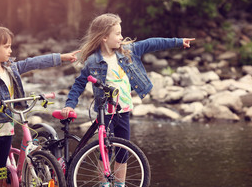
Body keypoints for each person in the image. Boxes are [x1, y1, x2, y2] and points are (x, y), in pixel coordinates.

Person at [61, 13, 195, 187]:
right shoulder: (93, 61)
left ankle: (120, 184)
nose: (121, 37)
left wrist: (177, 42)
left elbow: (152, 43)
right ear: (104, 37)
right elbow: (78, 84)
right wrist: (69, 105)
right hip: (105, 113)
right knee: (105, 151)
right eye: (117, 34)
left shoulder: (128, 51)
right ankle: (104, 184)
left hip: (124, 110)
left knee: (123, 152)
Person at [0, 23, 79, 187]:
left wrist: (61, 57)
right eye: (6, 47)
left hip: (8, 124)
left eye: (10, 46)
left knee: (0, 168)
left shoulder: (11, 68)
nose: (10, 50)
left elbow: (34, 62)